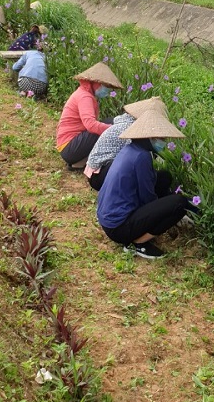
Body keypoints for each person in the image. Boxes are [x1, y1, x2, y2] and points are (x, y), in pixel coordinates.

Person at [97, 111, 191, 259]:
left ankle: (140, 233)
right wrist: (166, 211)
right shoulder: (141, 157)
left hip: (109, 218)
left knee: (164, 176)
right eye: (161, 138)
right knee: (180, 204)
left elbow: (149, 183)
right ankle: (137, 243)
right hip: (119, 227)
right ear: (149, 138)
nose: (164, 141)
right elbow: (147, 196)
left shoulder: (131, 149)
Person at [84, 96, 167, 191]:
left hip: (100, 171)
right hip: (99, 175)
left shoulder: (128, 122)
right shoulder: (131, 129)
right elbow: (134, 161)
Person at [56, 63, 123, 168]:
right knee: (109, 125)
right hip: (69, 148)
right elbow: (90, 125)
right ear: (95, 83)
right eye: (106, 86)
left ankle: (80, 162)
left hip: (68, 146)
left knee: (108, 122)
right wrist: (114, 130)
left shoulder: (84, 93)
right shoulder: (84, 97)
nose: (107, 91)